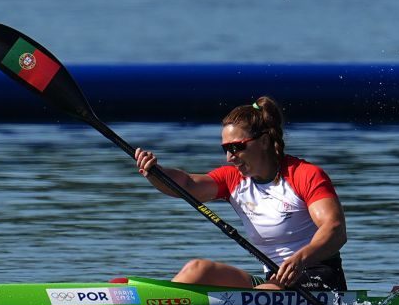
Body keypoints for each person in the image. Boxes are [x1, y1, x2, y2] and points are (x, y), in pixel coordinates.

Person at [133, 96, 347, 291]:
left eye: (236, 147)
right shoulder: (233, 179)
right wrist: (154, 172)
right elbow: (187, 184)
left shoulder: (304, 175)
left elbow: (334, 229)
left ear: (263, 141)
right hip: (274, 279)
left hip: (319, 276)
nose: (229, 157)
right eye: (225, 149)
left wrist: (300, 259)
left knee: (265, 291)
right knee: (196, 269)